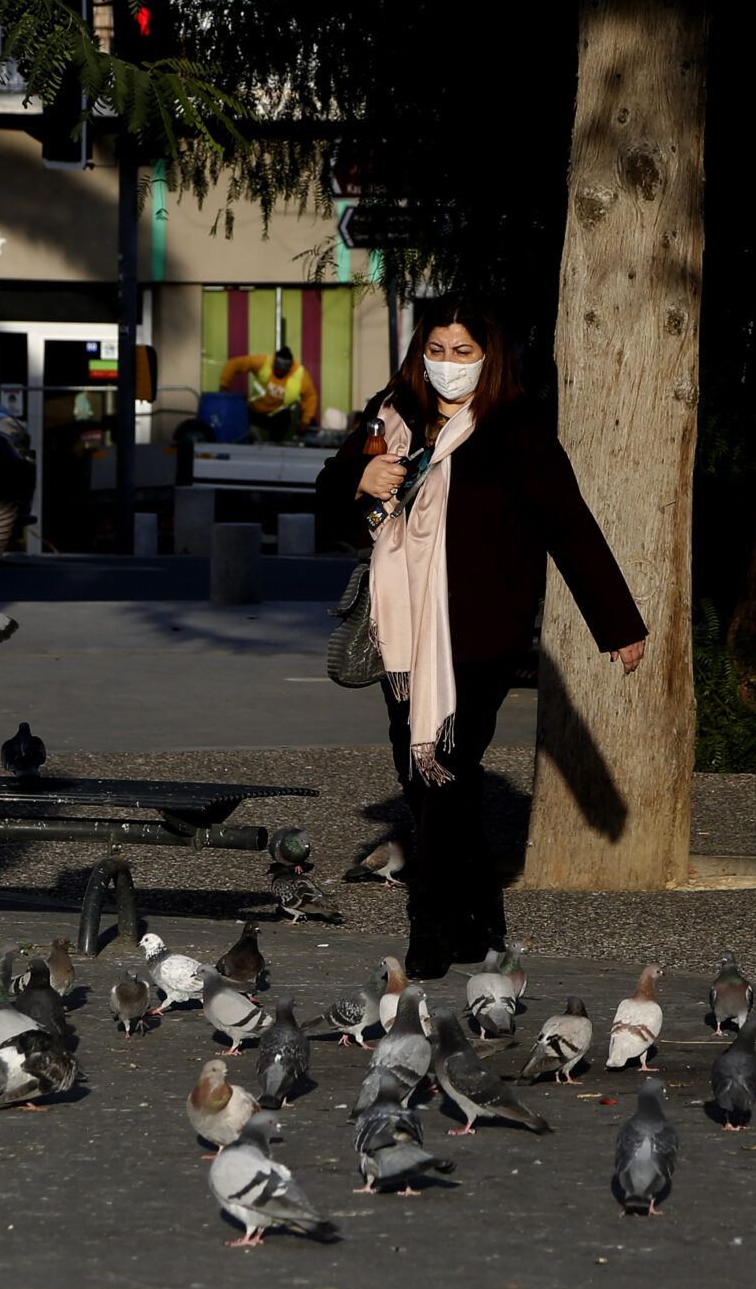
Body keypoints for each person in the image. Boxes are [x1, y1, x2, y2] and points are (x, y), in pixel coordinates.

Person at [316, 295, 647, 979]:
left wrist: (617, 625)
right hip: (401, 635)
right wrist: (359, 478)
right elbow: (326, 500)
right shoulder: (392, 414)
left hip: (481, 635)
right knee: (427, 777)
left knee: (442, 771)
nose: (448, 364)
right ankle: (478, 923)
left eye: (463, 352)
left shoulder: (515, 430)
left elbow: (569, 527)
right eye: (437, 350)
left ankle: (431, 929)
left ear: (489, 358)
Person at [218, 345, 318, 442]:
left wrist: (306, 420)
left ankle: (274, 445)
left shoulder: (300, 375)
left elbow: (310, 396)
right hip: (253, 410)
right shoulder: (263, 362)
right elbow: (235, 364)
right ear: (273, 363)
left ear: (289, 368)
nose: (279, 371)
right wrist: (224, 384)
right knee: (238, 413)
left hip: (275, 414)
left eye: (283, 370)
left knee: (286, 417)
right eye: (277, 367)